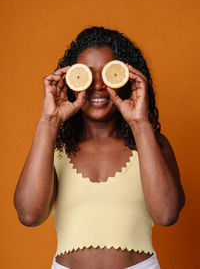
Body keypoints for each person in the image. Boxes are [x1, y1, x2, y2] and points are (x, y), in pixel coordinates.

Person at [14, 26, 185, 269]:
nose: (97, 86)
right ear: (71, 81)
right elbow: (29, 215)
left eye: (108, 74)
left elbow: (167, 214)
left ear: (126, 78)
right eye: (86, 75)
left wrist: (140, 123)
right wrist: (48, 122)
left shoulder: (152, 144)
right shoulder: (52, 151)